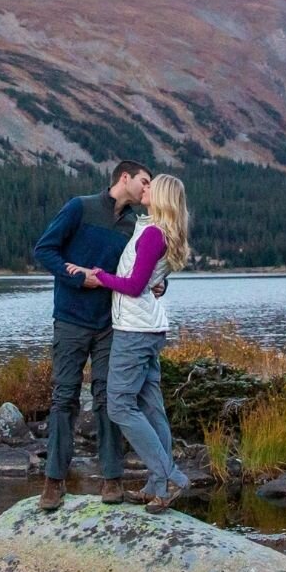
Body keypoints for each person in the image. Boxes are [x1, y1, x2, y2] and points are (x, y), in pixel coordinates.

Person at [33, 159, 157, 511]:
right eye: (144, 182)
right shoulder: (80, 208)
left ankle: (112, 479)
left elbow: (140, 269)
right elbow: (44, 251)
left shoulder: (134, 226)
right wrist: (77, 278)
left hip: (109, 324)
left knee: (109, 398)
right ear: (125, 178)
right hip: (70, 320)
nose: (148, 189)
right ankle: (54, 482)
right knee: (64, 397)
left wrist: (157, 284)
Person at [68, 173, 191, 514]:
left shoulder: (153, 234)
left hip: (134, 331)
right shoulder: (154, 228)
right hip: (149, 329)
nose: (145, 188)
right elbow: (151, 280)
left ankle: (171, 476)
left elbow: (135, 285)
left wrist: (98, 276)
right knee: (151, 406)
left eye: (151, 186)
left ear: (162, 197)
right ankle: (158, 485)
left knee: (120, 405)